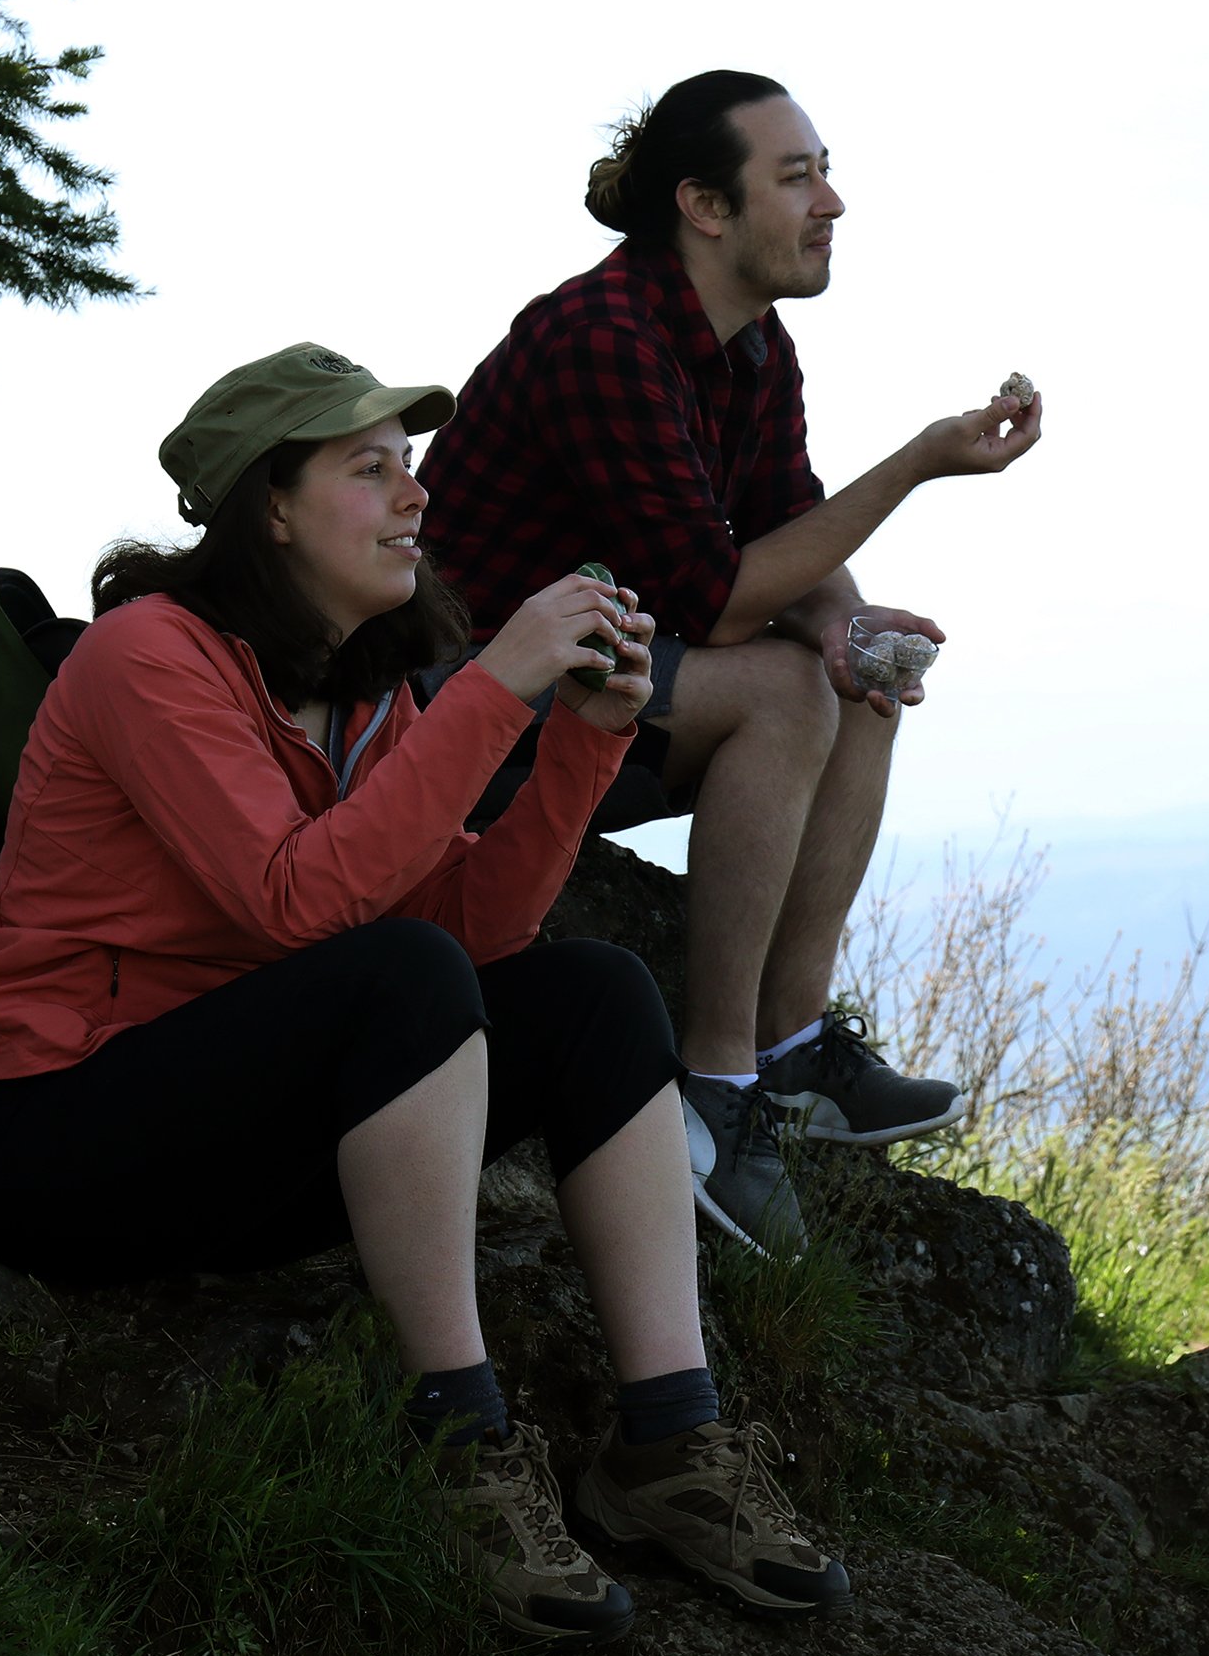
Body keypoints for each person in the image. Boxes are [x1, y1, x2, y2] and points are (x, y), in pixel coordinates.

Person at [0, 343, 850, 1637]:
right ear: (273, 506)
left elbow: (477, 930)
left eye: (410, 467)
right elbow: (297, 902)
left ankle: (668, 1445)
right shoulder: (148, 658)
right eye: (372, 470)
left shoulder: (360, 704)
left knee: (595, 991)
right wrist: (491, 687)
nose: (415, 496)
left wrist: (584, 742)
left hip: (229, 1130)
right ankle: (458, 1443)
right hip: (49, 1130)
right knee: (397, 974)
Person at [418, 70, 1045, 1256]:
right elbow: (708, 595)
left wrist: (852, 629)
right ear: (706, 207)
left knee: (857, 683)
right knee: (777, 687)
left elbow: (786, 524)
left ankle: (794, 1050)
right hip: (467, 716)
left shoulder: (755, 348)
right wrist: (915, 464)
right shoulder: (604, 339)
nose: (833, 202)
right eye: (798, 176)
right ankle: (714, 1089)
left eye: (825, 171)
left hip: (600, 684)